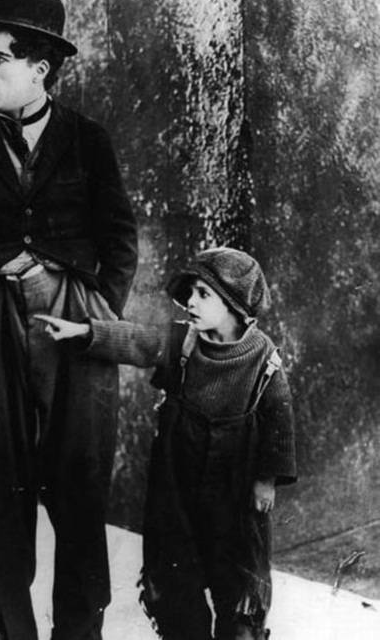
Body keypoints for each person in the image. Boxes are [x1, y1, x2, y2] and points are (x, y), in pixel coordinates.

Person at [0, 0, 138, 640]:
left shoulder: (87, 140)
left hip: (74, 327)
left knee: (80, 487)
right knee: (0, 490)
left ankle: (77, 632)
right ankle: (2, 631)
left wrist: (98, 308)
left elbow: (119, 238)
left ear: (39, 69)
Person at [36, 247, 297, 640]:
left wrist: (266, 480)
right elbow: (138, 340)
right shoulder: (181, 342)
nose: (190, 301)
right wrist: (84, 332)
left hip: (234, 492)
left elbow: (279, 419)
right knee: (176, 586)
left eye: (203, 294)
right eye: (190, 292)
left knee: (239, 590)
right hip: (178, 488)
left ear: (235, 305)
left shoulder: (264, 361)